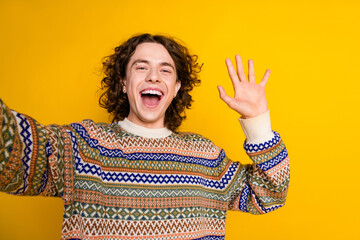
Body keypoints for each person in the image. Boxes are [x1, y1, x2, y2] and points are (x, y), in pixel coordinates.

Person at [0, 33, 290, 240]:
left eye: (165, 70)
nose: (153, 77)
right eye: (141, 67)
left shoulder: (205, 156)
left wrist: (257, 119)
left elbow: (269, 194)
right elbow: (13, 153)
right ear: (124, 84)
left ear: (175, 88)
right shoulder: (83, 146)